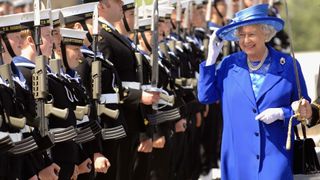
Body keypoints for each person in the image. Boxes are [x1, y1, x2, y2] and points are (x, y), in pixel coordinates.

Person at [198, 4, 310, 180]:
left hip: (275, 156)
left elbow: (305, 110)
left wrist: (282, 113)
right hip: (237, 160)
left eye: (251, 34)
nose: (246, 40)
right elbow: (205, 96)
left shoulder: (288, 65)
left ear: (266, 34)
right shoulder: (229, 64)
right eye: (241, 35)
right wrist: (211, 59)